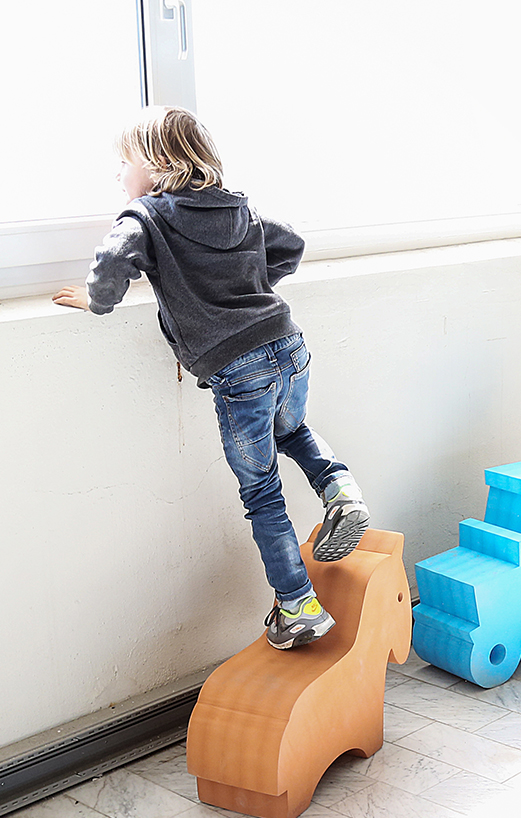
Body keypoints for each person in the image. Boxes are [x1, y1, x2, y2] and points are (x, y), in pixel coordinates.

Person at [53, 106, 369, 650]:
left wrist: (96, 302)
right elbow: (291, 245)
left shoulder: (145, 217)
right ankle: (340, 489)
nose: (119, 175)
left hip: (238, 369)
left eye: (124, 163)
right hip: (289, 344)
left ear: (155, 162)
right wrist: (245, 286)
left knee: (262, 492)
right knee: (293, 431)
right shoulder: (237, 207)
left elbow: (113, 259)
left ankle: (298, 607)